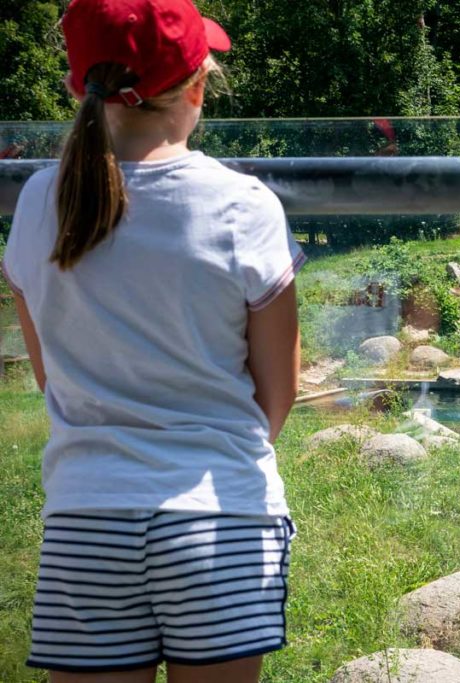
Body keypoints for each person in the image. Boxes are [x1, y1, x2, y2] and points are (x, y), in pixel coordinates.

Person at [1, 1, 305, 681]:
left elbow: (51, 376)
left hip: (87, 517)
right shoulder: (244, 205)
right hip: (220, 515)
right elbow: (278, 395)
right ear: (196, 87)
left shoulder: (35, 203)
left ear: (81, 84)